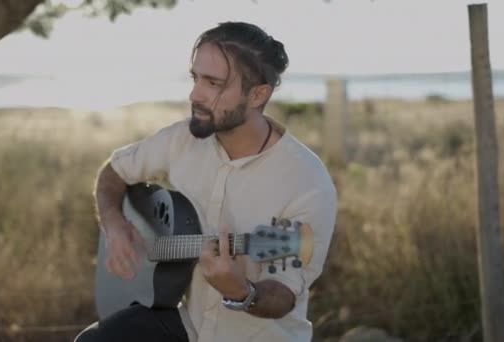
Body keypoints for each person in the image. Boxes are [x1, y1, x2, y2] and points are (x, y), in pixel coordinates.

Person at [75, 21, 337, 342]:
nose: (194, 94)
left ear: (257, 94)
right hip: (187, 324)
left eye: (213, 83)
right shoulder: (182, 140)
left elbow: (284, 295)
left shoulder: (307, 182)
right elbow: (113, 173)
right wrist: (115, 226)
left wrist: (243, 292)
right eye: (195, 77)